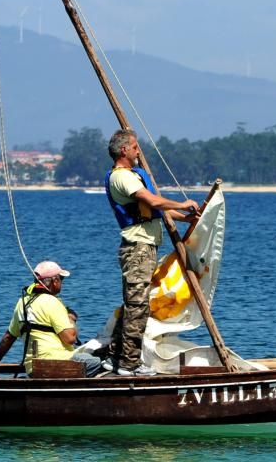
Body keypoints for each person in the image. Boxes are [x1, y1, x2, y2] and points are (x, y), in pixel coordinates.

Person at [104, 129, 199, 376]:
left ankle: (115, 355)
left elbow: (154, 210)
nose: (138, 152)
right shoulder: (122, 178)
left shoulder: (131, 176)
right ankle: (129, 364)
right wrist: (182, 203)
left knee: (134, 305)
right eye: (135, 147)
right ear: (124, 150)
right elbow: (154, 201)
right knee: (137, 306)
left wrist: (186, 218)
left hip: (144, 248)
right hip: (137, 249)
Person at [0, 260, 102, 377]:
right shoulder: (53, 302)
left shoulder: (22, 303)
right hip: (56, 364)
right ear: (54, 281)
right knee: (97, 362)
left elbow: (8, 338)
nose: (62, 283)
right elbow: (70, 338)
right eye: (61, 279)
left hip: (33, 368)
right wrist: (71, 318)